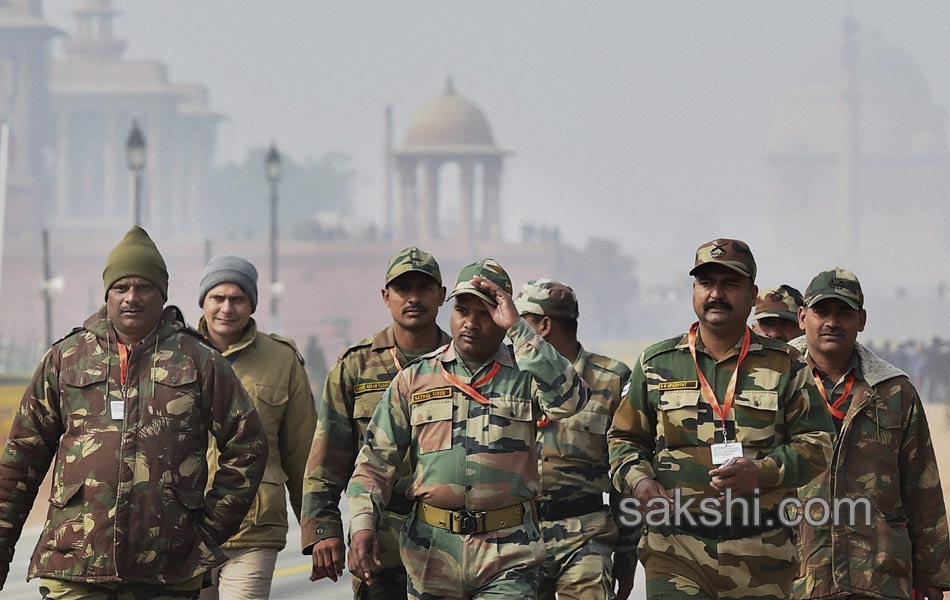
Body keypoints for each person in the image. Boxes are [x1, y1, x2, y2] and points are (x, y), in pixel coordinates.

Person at [0, 226, 268, 598]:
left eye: (144, 288)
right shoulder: (68, 358)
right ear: (107, 295)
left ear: (162, 295)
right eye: (121, 288)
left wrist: (206, 533)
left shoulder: (199, 361)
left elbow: (248, 444)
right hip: (75, 563)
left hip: (165, 570)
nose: (131, 298)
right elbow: (22, 458)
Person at [346, 259, 589, 600]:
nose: (471, 323)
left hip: (508, 554)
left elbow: (572, 400)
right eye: (462, 310)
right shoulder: (415, 379)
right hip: (432, 552)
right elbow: (373, 463)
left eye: (486, 313)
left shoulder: (526, 372)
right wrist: (362, 525)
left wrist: (520, 329)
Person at [608, 238, 834, 600]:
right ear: (694, 290)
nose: (716, 294)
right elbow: (623, 439)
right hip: (676, 550)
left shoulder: (786, 364)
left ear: (752, 294)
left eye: (730, 284)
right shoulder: (656, 362)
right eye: (706, 283)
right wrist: (639, 482)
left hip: (762, 552)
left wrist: (760, 473)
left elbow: (818, 444)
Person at [790, 268, 950, 600]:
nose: (832, 322)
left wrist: (933, 579)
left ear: (861, 320)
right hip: (795, 577)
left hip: (878, 579)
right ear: (803, 317)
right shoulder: (777, 385)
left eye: (844, 312)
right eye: (822, 311)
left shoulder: (894, 392)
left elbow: (924, 491)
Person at [302, 246, 450, 599]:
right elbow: (328, 454)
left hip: (451, 545)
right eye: (403, 289)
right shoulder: (357, 366)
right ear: (386, 297)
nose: (413, 298)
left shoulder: (461, 363)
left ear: (442, 296)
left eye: (424, 288)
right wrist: (324, 529)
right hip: (380, 542)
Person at [196, 255, 316, 600]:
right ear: (203, 301)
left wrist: (316, 529)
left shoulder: (281, 359)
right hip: (188, 527)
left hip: (254, 526)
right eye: (218, 298)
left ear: (252, 304)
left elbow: (302, 452)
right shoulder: (177, 354)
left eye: (238, 299)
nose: (227, 308)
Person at [514, 278, 636, 600]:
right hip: (518, 536)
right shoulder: (511, 378)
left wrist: (627, 552)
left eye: (521, 322)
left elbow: (627, 462)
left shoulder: (612, 379)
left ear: (542, 326)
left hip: (586, 533)